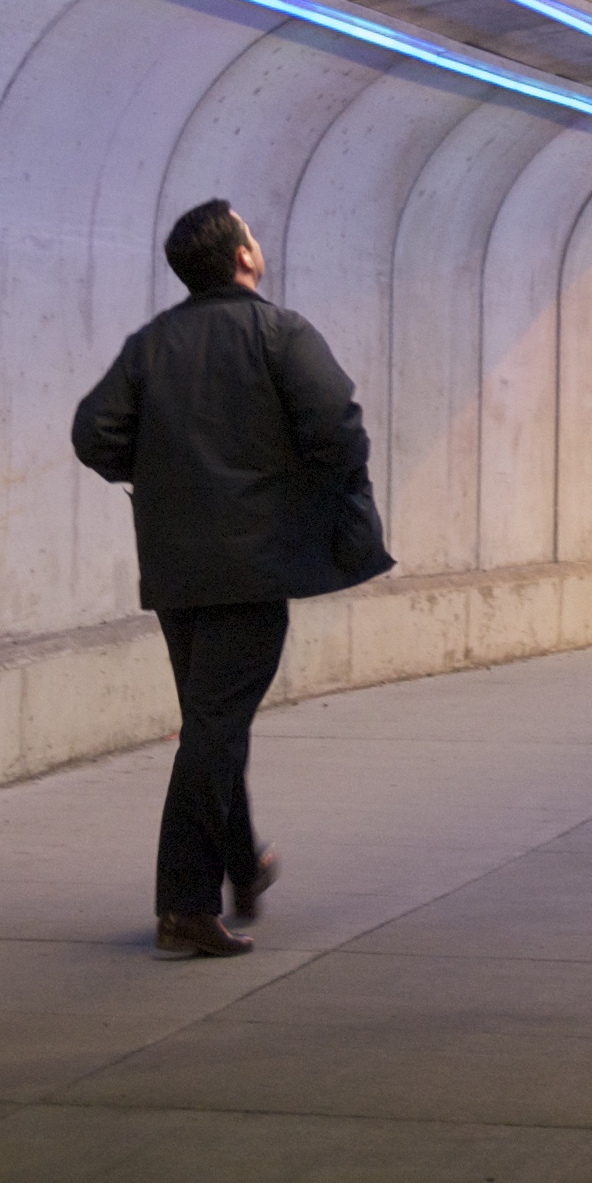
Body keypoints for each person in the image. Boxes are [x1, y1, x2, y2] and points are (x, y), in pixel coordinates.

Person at [72, 200, 393, 958]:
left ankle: (243, 867)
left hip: (177, 566)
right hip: (251, 566)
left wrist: (160, 479)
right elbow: (340, 431)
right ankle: (185, 905)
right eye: (250, 231)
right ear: (242, 258)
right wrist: (294, 493)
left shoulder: (152, 344)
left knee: (214, 719)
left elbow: (95, 433)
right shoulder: (280, 332)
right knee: (214, 726)